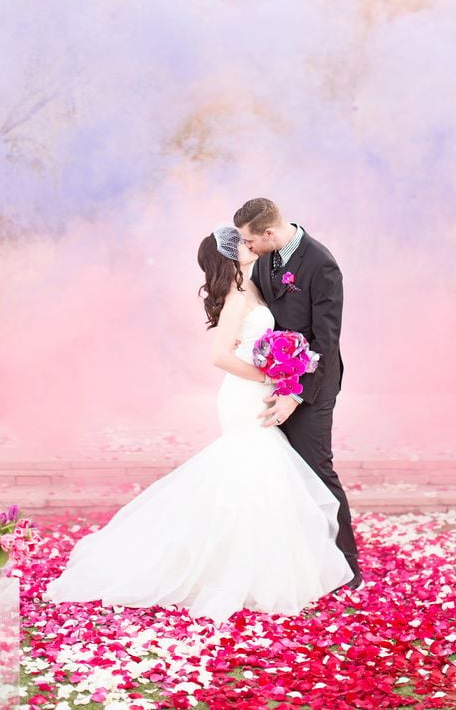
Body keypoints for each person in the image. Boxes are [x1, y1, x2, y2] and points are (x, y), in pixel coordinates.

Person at [43, 226, 354, 623]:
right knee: (252, 464)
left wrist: (280, 364)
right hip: (243, 394)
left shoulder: (255, 286)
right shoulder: (237, 299)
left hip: (254, 387)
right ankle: (233, 566)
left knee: (260, 471)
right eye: (240, 244)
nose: (249, 244)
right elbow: (220, 356)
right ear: (229, 257)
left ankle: (256, 561)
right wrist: (269, 378)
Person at [233, 198, 363, 590]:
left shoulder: (321, 264)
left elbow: (325, 340)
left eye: (250, 241)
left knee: (316, 470)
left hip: (314, 386)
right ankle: (301, 561)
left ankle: (346, 568)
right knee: (282, 474)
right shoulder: (266, 258)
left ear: (269, 233)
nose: (248, 248)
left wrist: (297, 395)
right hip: (276, 380)